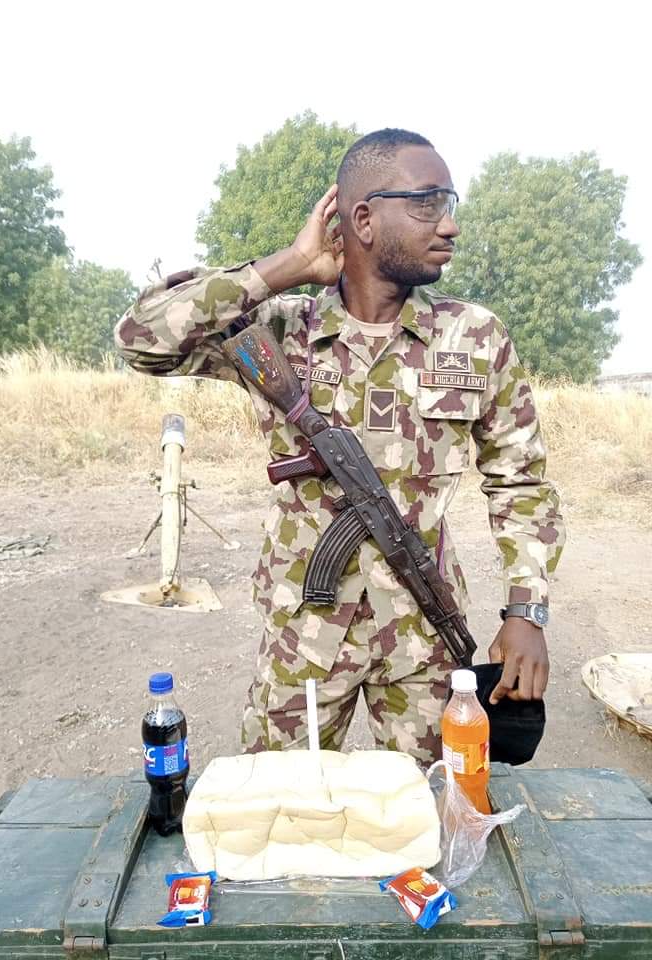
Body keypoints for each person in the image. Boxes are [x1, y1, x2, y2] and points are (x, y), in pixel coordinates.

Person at [114, 128, 565, 766]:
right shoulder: (279, 327)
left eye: (448, 203)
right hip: (303, 634)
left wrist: (527, 611)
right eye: (426, 203)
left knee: (426, 809)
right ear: (363, 220)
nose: (449, 225)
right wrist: (289, 265)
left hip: (424, 636)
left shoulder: (474, 337)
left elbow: (521, 482)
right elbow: (139, 338)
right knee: (276, 804)